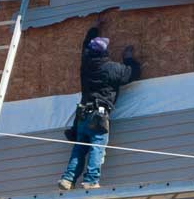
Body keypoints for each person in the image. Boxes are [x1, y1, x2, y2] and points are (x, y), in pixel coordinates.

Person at [58, 15, 141, 190]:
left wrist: (94, 28)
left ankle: (68, 179)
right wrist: (128, 58)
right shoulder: (112, 69)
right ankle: (90, 180)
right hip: (99, 115)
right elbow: (132, 73)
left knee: (79, 148)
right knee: (97, 147)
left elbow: (85, 46)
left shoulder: (86, 64)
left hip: (82, 115)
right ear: (105, 52)